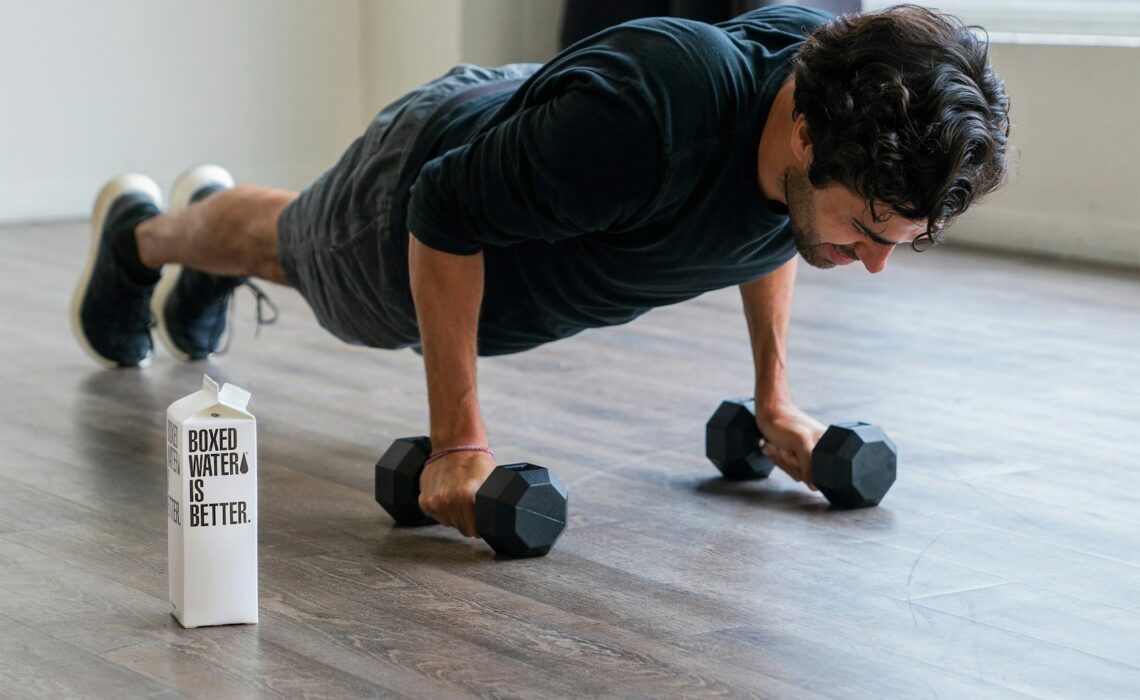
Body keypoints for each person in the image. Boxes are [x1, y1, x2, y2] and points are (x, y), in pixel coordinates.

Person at [72, 4, 1010, 539]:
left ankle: (208, 252)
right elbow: (444, 211)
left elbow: (774, 229)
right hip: (422, 189)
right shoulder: (657, 121)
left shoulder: (829, 92)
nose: (877, 265)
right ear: (804, 131)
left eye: (902, 239)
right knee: (301, 253)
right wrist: (458, 444)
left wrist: (775, 399)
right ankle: (143, 236)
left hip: (547, 142)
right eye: (870, 229)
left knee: (288, 250)